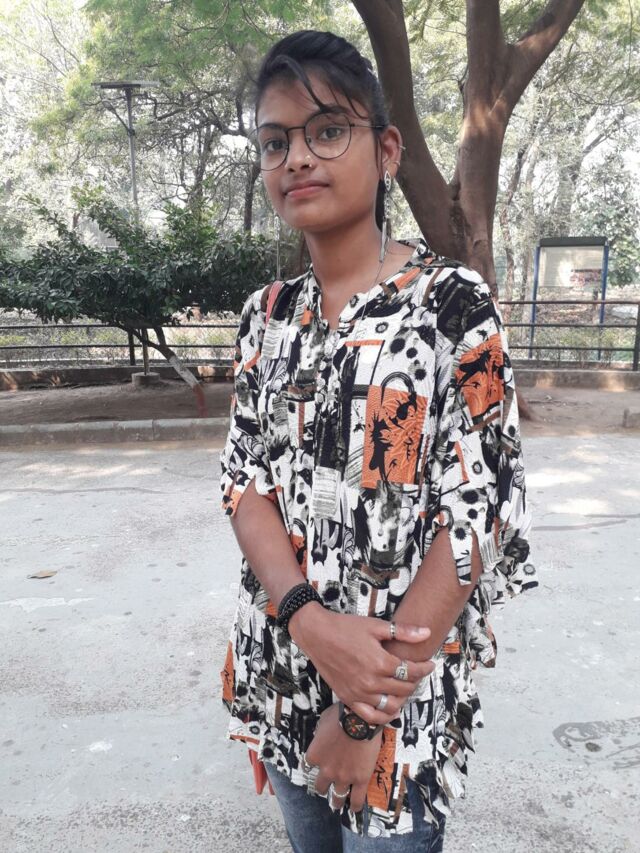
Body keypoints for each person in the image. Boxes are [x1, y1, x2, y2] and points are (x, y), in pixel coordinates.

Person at [218, 29, 538, 852]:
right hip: (283, 682)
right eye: (276, 141)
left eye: (327, 130)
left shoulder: (452, 307)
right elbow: (245, 484)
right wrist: (307, 622)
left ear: (387, 150)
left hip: (393, 723)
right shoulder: (266, 317)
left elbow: (479, 516)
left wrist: (361, 716)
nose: (297, 157)